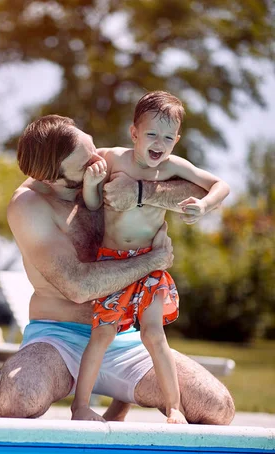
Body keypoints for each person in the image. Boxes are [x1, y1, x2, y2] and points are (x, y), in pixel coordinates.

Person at [0, 114, 235, 425]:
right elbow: (78, 287)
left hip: (126, 340)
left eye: (90, 148)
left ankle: (123, 396)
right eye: (84, 164)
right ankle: (10, 374)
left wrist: (144, 192)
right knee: (15, 399)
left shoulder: (104, 160)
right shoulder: (29, 206)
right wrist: (152, 261)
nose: (96, 162)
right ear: (52, 177)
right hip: (60, 339)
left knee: (217, 407)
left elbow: (197, 188)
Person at [71, 91, 230, 423]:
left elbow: (220, 185)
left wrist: (202, 205)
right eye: (152, 135)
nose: (160, 143)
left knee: (154, 333)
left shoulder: (172, 166)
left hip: (150, 262)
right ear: (134, 134)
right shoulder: (114, 159)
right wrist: (91, 183)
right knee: (103, 334)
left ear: (177, 140)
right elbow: (92, 205)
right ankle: (81, 406)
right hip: (114, 264)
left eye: (168, 137)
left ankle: (174, 407)